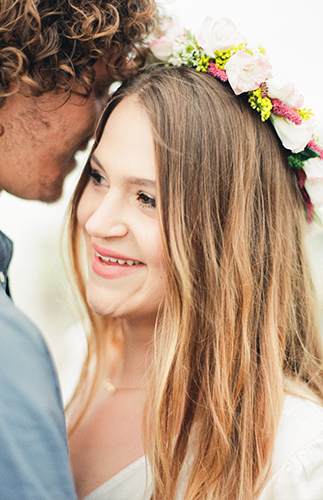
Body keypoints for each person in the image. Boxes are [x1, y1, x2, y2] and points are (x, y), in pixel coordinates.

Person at [66, 18, 323, 500]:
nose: (98, 222)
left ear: (228, 236)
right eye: (98, 177)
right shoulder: (66, 359)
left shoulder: (292, 452)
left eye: (147, 200)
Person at [0, 1, 158, 498]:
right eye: (92, 88)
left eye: (147, 197)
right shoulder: (12, 351)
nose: (97, 125)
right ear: (12, 79)